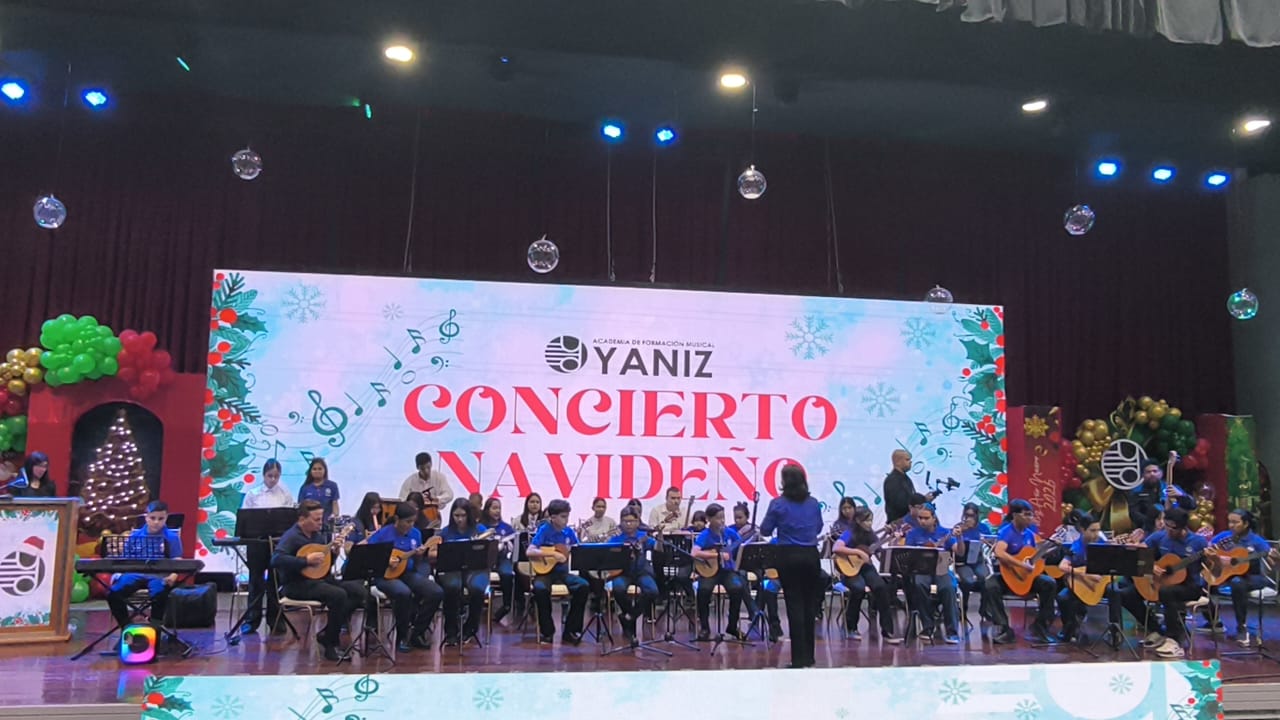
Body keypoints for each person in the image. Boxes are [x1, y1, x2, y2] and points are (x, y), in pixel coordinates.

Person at [271, 500, 368, 660]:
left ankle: (327, 633)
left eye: (321, 518)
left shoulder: (318, 535)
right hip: (296, 584)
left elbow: (323, 565)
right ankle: (331, 644)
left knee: (358, 591)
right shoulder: (292, 536)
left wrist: (334, 553)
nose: (320, 522)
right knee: (338, 595)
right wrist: (305, 560)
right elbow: (276, 560)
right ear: (302, 519)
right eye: (316, 519)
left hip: (318, 580)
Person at [760, 464, 825, 668]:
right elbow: (819, 527)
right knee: (809, 606)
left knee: (794, 605)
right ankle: (810, 658)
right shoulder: (813, 503)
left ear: (784, 482)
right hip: (811, 556)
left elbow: (765, 530)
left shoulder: (778, 504)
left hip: (788, 556)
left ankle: (798, 659)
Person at [1119, 507, 1207, 658]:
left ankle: (1173, 639)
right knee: (1126, 594)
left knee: (1166, 592)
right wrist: (1151, 566)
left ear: (1183, 527)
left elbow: (1211, 566)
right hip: (1162, 583)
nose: (1169, 530)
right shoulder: (1159, 537)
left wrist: (1214, 558)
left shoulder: (1198, 542)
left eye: (1173, 528)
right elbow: (1140, 552)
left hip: (1190, 586)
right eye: (1167, 525)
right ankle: (1157, 630)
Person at [365, 502, 443, 652]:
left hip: (407, 573)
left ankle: (417, 633)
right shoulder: (383, 534)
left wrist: (419, 555)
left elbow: (417, 561)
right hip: (385, 576)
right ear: (397, 519)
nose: (410, 525)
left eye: (413, 521)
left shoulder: (415, 534)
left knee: (436, 592)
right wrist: (386, 560)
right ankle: (402, 636)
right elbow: (369, 555)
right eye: (407, 522)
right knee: (403, 593)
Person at [982, 498, 1058, 644]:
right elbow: (999, 552)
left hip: (1025, 578)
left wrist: (1051, 548)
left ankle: (1040, 626)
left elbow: (1034, 557)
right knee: (990, 585)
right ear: (1015, 515)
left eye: (1031, 514)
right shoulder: (1006, 532)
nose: (1030, 518)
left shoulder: (1030, 535)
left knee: (1049, 583)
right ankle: (1004, 628)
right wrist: (1021, 565)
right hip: (1007, 577)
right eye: (1026, 514)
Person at [1200, 508, 1278, 646]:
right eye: (1230, 522)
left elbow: (1272, 561)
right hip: (1228, 575)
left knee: (1237, 582)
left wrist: (1275, 557)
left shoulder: (1256, 541)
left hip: (1253, 577)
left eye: (1235, 522)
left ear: (1246, 524)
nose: (1231, 525)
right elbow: (1209, 550)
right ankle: (1214, 621)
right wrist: (1212, 556)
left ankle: (1241, 627)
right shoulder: (1224, 537)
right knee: (1202, 582)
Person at [106, 500, 183, 631]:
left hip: (159, 575)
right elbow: (125, 559)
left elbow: (177, 560)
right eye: (152, 518)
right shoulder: (135, 536)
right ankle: (126, 627)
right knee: (113, 594)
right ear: (146, 517)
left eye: (161, 519)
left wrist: (173, 576)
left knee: (160, 594)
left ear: (166, 518)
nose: (156, 522)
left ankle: (155, 629)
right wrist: (118, 574)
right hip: (134, 573)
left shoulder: (172, 537)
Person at [240, 459, 293, 635]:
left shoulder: (285, 494)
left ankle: (275, 620)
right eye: (270, 476)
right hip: (257, 544)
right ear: (263, 475)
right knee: (256, 582)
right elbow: (245, 519)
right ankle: (251, 620)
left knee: (275, 582)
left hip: (277, 544)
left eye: (276, 476)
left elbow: (289, 520)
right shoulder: (252, 494)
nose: (272, 479)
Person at [832, 506, 898, 643]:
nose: (869, 524)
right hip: (849, 569)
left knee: (881, 587)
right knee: (858, 588)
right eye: (866, 521)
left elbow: (879, 553)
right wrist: (858, 552)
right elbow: (836, 547)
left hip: (866, 567)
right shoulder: (850, 532)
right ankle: (851, 627)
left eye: (871, 521)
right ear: (857, 520)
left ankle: (888, 631)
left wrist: (891, 539)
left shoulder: (871, 534)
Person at [527, 499, 589, 644]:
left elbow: (577, 549)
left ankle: (571, 630)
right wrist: (552, 554)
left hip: (562, 572)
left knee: (583, 586)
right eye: (563, 516)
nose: (566, 520)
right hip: (545, 573)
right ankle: (547, 631)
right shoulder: (545, 530)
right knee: (540, 589)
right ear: (553, 517)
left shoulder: (569, 532)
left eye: (567, 516)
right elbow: (530, 551)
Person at [1054, 512, 1121, 642]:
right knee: (1063, 597)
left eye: (1098, 530)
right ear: (1082, 530)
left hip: (1103, 583)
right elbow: (1062, 566)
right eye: (1092, 530)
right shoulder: (1077, 546)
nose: (1096, 534)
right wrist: (1084, 573)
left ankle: (1115, 630)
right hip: (1085, 585)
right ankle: (1070, 628)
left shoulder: (1102, 543)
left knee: (1115, 590)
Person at [692, 503, 753, 641]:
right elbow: (694, 553)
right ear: (709, 519)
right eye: (718, 518)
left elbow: (741, 545)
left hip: (727, 570)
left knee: (737, 588)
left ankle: (732, 626)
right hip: (710, 571)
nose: (722, 521)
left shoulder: (729, 533)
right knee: (703, 590)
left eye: (723, 517)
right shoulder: (705, 535)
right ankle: (705, 628)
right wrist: (716, 555)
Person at [903, 503, 960, 644]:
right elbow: (907, 555)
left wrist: (960, 538)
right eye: (920, 518)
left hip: (941, 569)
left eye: (926, 518)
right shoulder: (913, 534)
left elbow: (959, 551)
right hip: (921, 570)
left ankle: (952, 631)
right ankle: (927, 627)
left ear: (934, 518)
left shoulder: (944, 532)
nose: (922, 521)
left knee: (948, 588)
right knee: (919, 585)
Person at [437, 499, 491, 645]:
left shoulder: (479, 529)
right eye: (456, 515)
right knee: (452, 587)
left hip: (476, 569)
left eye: (463, 515)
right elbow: (435, 553)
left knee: (478, 588)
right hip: (452, 569)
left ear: (469, 515)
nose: (459, 519)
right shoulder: (446, 532)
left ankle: (470, 628)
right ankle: (451, 631)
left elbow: (489, 551)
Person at [606, 506, 659, 644]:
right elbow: (608, 554)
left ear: (638, 521)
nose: (629, 524)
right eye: (625, 521)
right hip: (622, 573)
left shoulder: (643, 536)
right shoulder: (616, 537)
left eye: (632, 521)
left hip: (641, 572)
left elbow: (657, 548)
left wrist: (660, 536)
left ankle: (630, 616)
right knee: (618, 588)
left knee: (652, 591)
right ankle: (627, 614)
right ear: (621, 521)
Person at [478, 497, 517, 621]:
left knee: (507, 574)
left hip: (502, 559)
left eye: (499, 508)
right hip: (484, 560)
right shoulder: (481, 527)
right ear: (487, 510)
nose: (497, 511)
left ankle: (506, 606)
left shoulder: (507, 528)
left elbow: (514, 546)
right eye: (494, 508)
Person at [953, 502, 992, 608]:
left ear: (976, 516)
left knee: (986, 579)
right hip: (963, 562)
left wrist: (986, 540)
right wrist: (961, 533)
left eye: (972, 515)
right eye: (967, 515)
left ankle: (984, 608)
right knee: (968, 581)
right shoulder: (959, 527)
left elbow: (993, 542)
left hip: (977, 560)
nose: (969, 518)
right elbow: (953, 542)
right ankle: (963, 608)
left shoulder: (982, 528)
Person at [883, 450, 935, 524]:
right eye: (907, 460)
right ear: (898, 462)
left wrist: (923, 500)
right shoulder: (893, 481)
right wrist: (923, 500)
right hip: (900, 523)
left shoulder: (905, 478)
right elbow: (900, 504)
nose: (910, 462)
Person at [398, 452, 454, 517]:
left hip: (433, 514)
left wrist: (437, 499)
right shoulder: (410, 481)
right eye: (422, 469)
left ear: (431, 464)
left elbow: (449, 494)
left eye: (428, 467)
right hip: (414, 515)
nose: (426, 471)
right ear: (417, 467)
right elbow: (402, 499)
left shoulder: (439, 477)